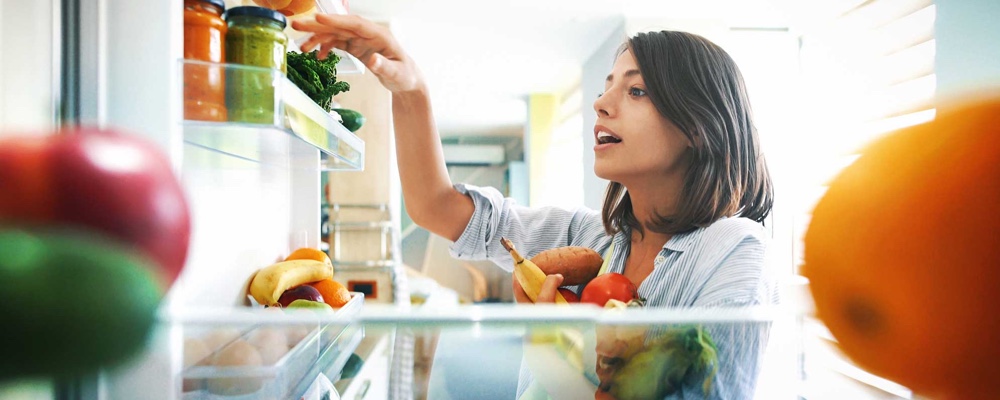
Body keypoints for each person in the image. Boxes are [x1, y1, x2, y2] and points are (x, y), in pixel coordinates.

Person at [294, 14, 776, 400]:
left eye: (636, 90)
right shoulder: (591, 240)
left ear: (698, 125)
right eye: (608, 84)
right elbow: (436, 207)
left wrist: (551, 347)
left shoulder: (733, 251)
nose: (602, 103)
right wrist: (410, 87)